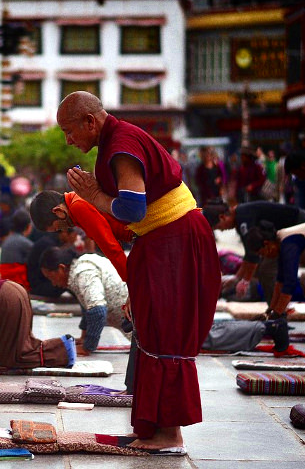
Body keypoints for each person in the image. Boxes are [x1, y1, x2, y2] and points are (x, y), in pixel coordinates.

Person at [56, 91, 220, 454]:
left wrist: (95, 196)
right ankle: (152, 429)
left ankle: (169, 434)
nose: (68, 140)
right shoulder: (115, 139)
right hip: (159, 240)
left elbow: (131, 208)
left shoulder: (121, 143)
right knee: (150, 329)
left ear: (90, 121)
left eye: (69, 131)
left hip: (175, 239)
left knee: (165, 331)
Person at [201, 200, 305, 302]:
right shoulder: (241, 219)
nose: (223, 230)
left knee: (266, 270)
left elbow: (253, 256)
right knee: (265, 269)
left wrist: (244, 281)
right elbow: (249, 255)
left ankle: (278, 312)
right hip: (285, 234)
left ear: (223, 217)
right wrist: (237, 278)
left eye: (219, 228)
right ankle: (275, 309)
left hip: (299, 225)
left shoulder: (243, 219)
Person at [39, 246, 130, 355]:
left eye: (51, 278)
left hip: (140, 325)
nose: (53, 284)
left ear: (61, 268)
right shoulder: (80, 267)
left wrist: (87, 347)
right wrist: (84, 337)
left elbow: (98, 311)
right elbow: (88, 305)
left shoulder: (82, 271)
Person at [29, 189, 131, 277]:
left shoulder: (78, 206)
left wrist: (130, 279)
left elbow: (110, 247)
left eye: (58, 228)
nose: (63, 230)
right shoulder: (75, 202)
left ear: (58, 211)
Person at [0, 209, 34, 290]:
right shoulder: (26, 243)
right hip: (18, 284)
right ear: (28, 227)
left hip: (5, 282)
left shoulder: (7, 240)